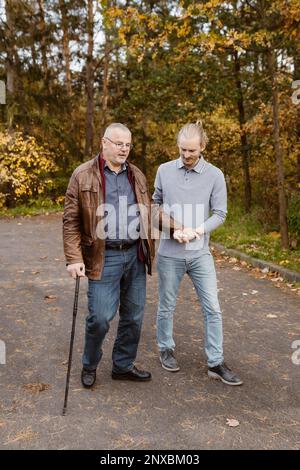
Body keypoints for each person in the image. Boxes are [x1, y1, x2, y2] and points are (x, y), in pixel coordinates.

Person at [63, 123, 155, 388]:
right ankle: (89, 364)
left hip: (135, 254)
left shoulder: (136, 175)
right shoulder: (83, 175)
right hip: (104, 256)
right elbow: (70, 221)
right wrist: (74, 258)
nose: (124, 149)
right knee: (101, 317)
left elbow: (149, 211)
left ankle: (123, 365)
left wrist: (179, 227)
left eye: (127, 144)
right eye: (118, 143)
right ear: (104, 143)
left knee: (134, 316)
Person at [152, 121, 243, 386]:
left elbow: (221, 214)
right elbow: (155, 206)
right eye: (182, 150)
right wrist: (174, 229)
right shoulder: (164, 171)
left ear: (202, 147)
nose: (187, 155)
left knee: (212, 308)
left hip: (200, 253)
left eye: (192, 150)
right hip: (170, 253)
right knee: (166, 306)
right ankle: (165, 348)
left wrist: (196, 231)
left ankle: (215, 362)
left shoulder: (215, 175)